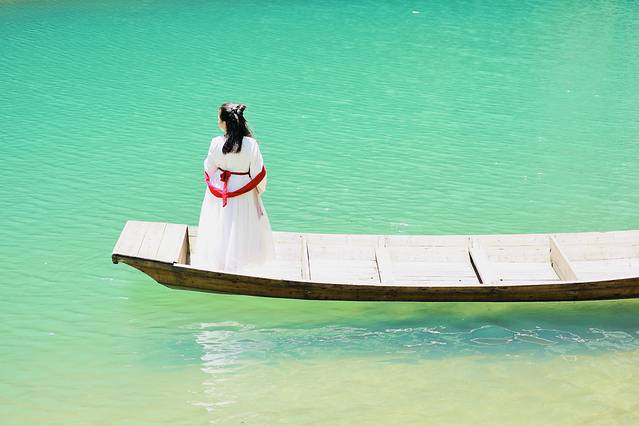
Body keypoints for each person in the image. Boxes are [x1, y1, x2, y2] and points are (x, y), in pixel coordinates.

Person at [190, 103, 275, 272]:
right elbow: (259, 174)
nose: (217, 122)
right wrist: (258, 191)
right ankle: (242, 264)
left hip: (220, 190)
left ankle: (218, 263)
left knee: (219, 224)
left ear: (225, 122)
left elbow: (208, 169)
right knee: (242, 226)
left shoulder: (215, 142)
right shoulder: (251, 144)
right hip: (244, 190)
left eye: (219, 118)